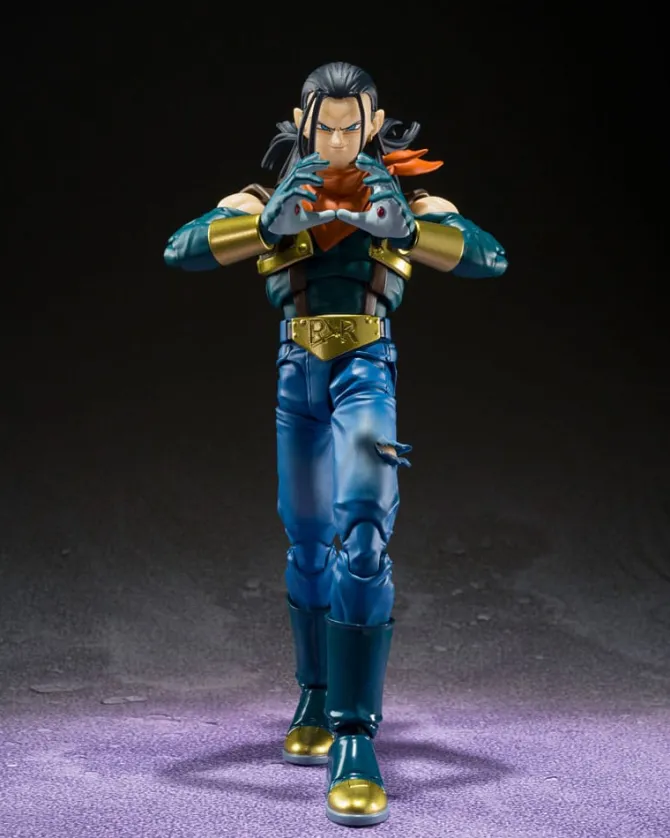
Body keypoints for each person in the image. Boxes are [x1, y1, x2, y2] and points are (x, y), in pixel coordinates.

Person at [164, 60, 507, 828]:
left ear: (375, 125)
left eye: (354, 127)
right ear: (303, 122)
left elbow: (490, 257)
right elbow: (179, 249)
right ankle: (316, 695)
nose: (341, 141)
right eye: (327, 127)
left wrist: (407, 229)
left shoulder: (409, 199)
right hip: (298, 372)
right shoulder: (262, 198)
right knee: (309, 540)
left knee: (364, 534)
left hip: (366, 370)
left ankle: (356, 735)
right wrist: (265, 225)